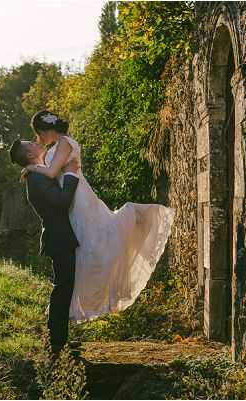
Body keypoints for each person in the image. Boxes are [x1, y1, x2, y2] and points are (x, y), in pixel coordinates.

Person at [24, 110, 176, 324]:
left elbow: (50, 173)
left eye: (38, 134)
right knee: (85, 254)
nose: (39, 140)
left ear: (44, 130)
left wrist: (31, 166)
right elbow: (53, 172)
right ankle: (67, 320)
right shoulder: (57, 146)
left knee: (96, 246)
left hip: (79, 198)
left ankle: (69, 317)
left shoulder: (65, 143)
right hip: (73, 198)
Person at [9, 138, 80, 355]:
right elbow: (61, 201)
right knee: (62, 287)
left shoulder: (38, 172)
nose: (35, 141)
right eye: (30, 142)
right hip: (58, 238)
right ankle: (56, 343)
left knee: (65, 287)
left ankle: (59, 338)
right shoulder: (35, 179)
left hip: (61, 237)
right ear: (30, 154)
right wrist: (70, 174)